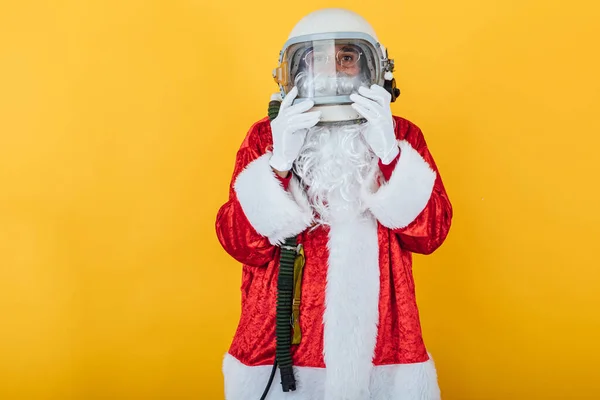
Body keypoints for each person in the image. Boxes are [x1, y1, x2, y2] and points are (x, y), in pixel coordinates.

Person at [215, 7, 452, 400]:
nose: (332, 72)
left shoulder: (403, 135)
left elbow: (432, 234)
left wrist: (390, 153)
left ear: (375, 69)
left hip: (383, 349)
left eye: (346, 58)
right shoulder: (266, 137)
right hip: (281, 348)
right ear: (293, 71)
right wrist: (278, 163)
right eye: (318, 59)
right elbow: (240, 245)